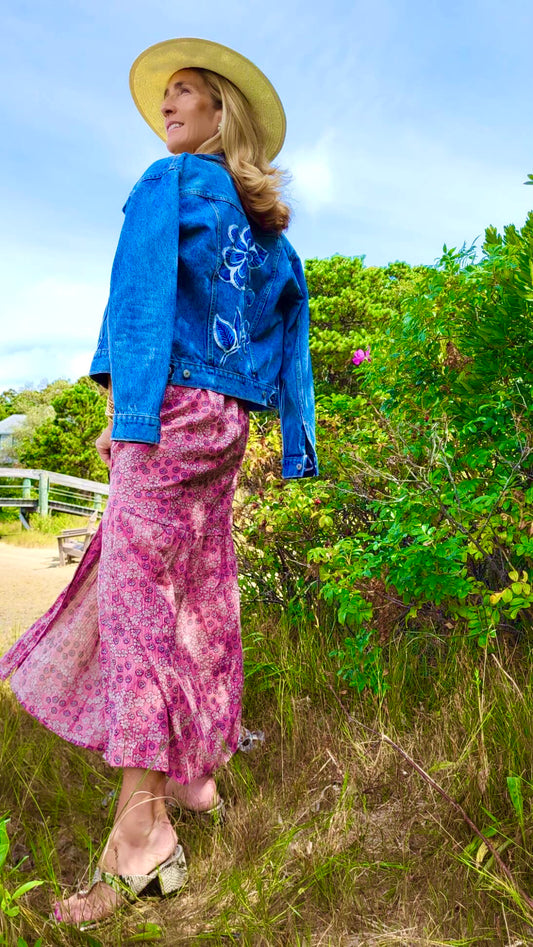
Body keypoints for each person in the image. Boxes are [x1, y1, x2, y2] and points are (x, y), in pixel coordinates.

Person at [0, 37, 318, 927]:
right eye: (165, 95)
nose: (168, 106)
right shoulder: (266, 232)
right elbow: (292, 326)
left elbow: (135, 297)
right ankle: (194, 771)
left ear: (223, 112)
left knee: (140, 606)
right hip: (228, 428)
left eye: (186, 93)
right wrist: (296, 443)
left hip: (171, 407)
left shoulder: (167, 184)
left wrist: (125, 411)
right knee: (199, 593)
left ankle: (139, 840)